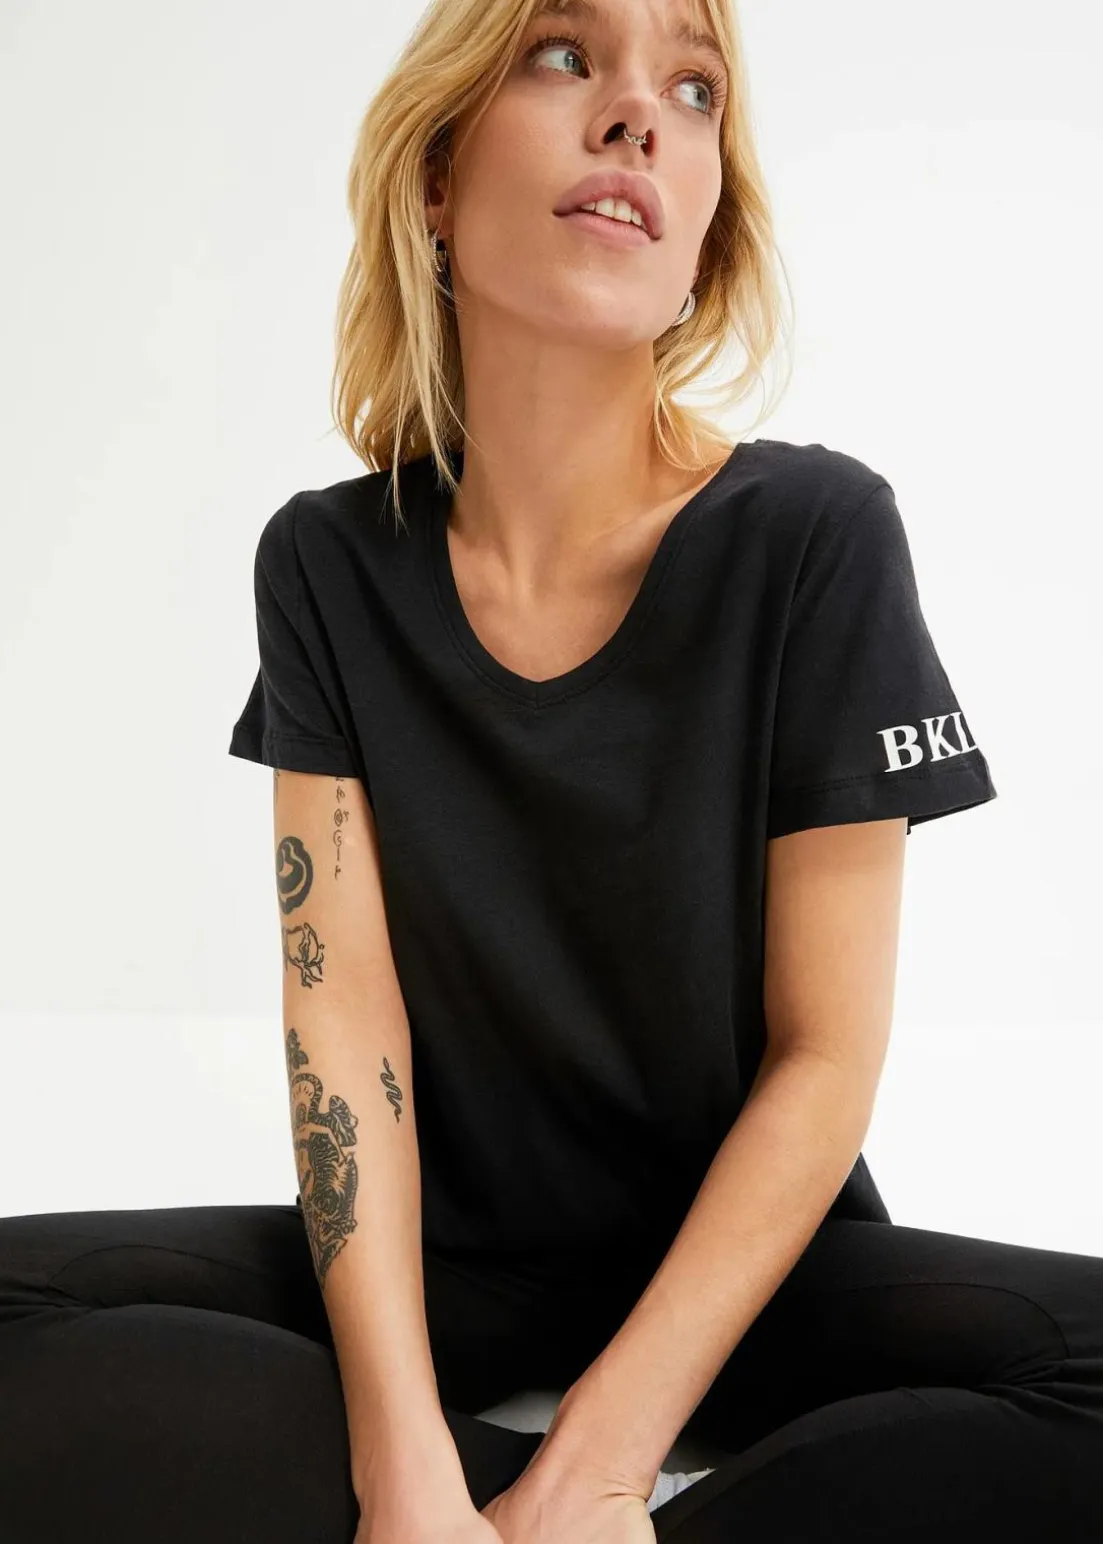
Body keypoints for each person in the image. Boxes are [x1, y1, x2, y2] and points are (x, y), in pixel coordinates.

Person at [3, 0, 1102, 1540]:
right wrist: (402, 1462)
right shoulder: (327, 563)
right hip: (447, 1266)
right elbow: (345, 1026)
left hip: (748, 1275)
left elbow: (824, 1059)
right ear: (435, 181)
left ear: (704, 234)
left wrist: (600, 1457)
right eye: (565, 54)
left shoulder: (813, 535)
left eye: (695, 88)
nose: (637, 113)